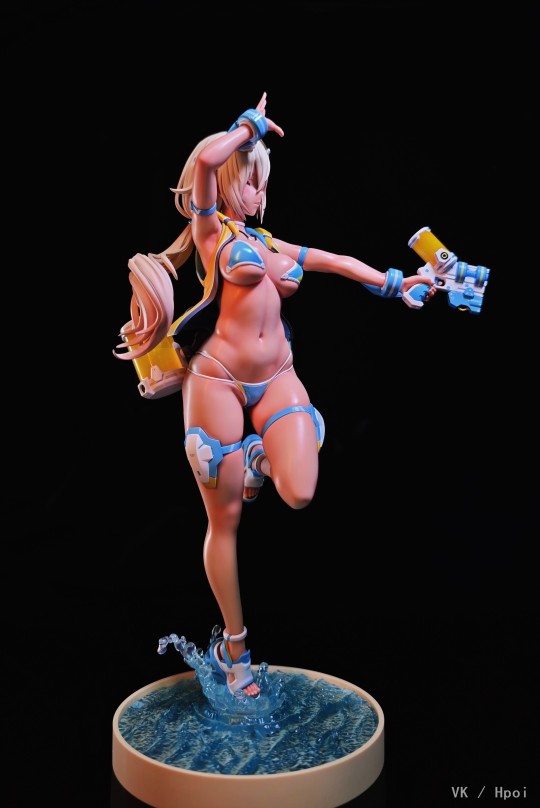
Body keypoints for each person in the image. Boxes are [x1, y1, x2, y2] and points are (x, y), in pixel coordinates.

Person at [114, 92, 434, 698]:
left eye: (264, 183)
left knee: (300, 490)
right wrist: (248, 128)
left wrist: (396, 283)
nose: (259, 194)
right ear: (230, 182)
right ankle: (235, 649)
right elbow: (207, 163)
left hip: (277, 374)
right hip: (217, 380)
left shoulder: (265, 239)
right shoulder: (210, 231)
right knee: (225, 520)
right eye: (251, 181)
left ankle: (257, 459)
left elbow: (334, 260)